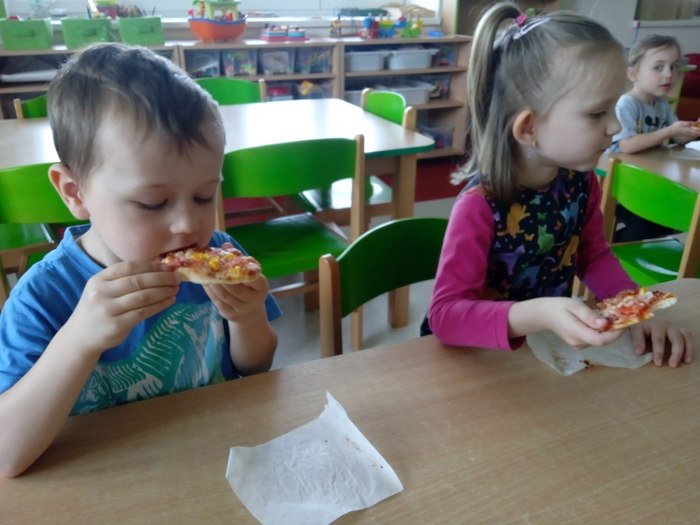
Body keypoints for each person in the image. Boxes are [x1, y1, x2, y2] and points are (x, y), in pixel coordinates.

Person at [0, 43, 281, 478]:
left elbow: (256, 367)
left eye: (205, 196)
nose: (188, 224)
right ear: (75, 193)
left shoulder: (224, 254)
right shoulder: (42, 297)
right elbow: (7, 455)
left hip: (215, 459)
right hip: (107, 479)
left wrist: (247, 319)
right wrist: (78, 340)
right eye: (152, 203)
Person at [427, 5, 692, 368]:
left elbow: (592, 255)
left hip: (545, 356)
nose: (615, 126)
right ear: (529, 128)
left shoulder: (580, 182)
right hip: (479, 364)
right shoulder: (479, 206)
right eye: (597, 113)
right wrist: (538, 314)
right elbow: (445, 317)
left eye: (614, 107)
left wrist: (636, 308)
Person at [607, 34, 700, 241]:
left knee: (670, 221)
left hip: (648, 180)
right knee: (647, 227)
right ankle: (615, 244)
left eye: (674, 67)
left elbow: (677, 138)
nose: (669, 74)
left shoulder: (662, 104)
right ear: (633, 74)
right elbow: (627, 145)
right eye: (658, 67)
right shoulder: (627, 103)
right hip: (622, 184)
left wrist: (691, 131)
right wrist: (669, 131)